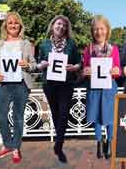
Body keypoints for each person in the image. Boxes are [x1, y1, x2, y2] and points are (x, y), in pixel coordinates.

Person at [0, 12, 37, 163]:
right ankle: (8, 144)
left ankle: (15, 147)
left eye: (16, 23)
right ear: (5, 25)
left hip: (21, 85)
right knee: (0, 116)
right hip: (3, 84)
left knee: (18, 117)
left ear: (20, 25)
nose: (13, 25)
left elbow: (34, 64)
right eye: (10, 23)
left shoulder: (26, 44)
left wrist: (28, 65)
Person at [37, 15, 81, 163]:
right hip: (49, 85)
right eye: (58, 24)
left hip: (66, 85)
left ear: (66, 29)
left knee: (63, 114)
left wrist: (74, 67)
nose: (61, 27)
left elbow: (79, 63)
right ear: (53, 25)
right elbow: (38, 64)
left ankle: (59, 145)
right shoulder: (43, 44)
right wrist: (41, 65)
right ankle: (59, 141)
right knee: (56, 114)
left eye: (64, 25)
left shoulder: (71, 44)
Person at [82, 15, 120, 159]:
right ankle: (98, 142)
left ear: (107, 30)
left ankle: (109, 143)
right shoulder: (88, 50)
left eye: (102, 28)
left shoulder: (114, 49)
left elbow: (118, 69)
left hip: (109, 88)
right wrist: (86, 71)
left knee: (110, 116)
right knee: (96, 115)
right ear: (93, 31)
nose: (99, 32)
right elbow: (85, 68)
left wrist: (116, 71)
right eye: (96, 29)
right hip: (94, 87)